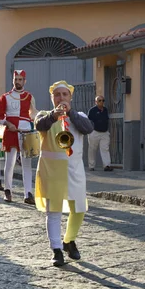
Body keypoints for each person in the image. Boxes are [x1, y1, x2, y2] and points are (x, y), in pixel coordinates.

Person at [34, 81, 93, 267]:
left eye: (64, 94)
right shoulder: (45, 115)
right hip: (52, 171)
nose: (61, 98)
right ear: (52, 98)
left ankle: (69, 240)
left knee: (79, 209)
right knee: (54, 212)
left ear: (70, 97)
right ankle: (56, 249)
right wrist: (54, 115)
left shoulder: (79, 115)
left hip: (75, 169)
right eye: (57, 95)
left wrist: (70, 113)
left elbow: (88, 128)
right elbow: (39, 125)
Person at [0, 69, 38, 204]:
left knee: (26, 164)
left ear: (24, 81)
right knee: (10, 162)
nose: (18, 82)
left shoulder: (29, 96)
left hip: (25, 132)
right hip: (11, 132)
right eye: (15, 79)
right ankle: (8, 190)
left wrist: (37, 122)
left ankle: (28, 193)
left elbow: (33, 114)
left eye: (20, 79)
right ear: (13, 80)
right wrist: (7, 123)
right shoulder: (5, 97)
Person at [87, 95, 112, 171]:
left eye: (103, 100)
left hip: (104, 132)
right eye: (99, 100)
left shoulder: (105, 110)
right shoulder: (92, 110)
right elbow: (89, 120)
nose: (101, 102)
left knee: (105, 148)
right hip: (94, 132)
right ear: (96, 102)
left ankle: (107, 165)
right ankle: (91, 166)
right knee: (92, 149)